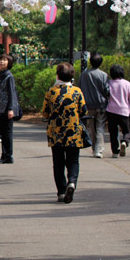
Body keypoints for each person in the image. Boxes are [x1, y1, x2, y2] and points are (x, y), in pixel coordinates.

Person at [42, 62, 88, 204]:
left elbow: (44, 112)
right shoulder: (77, 91)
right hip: (73, 132)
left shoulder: (51, 92)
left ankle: (61, 191)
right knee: (73, 160)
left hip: (56, 133)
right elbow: (84, 110)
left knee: (58, 162)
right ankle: (72, 183)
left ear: (57, 75)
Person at [78, 52, 109, 158]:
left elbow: (80, 89)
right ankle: (98, 149)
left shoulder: (84, 75)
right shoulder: (104, 75)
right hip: (101, 104)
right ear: (101, 63)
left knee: (92, 127)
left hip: (88, 105)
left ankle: (94, 148)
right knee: (100, 127)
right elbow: (106, 90)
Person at [0, 54, 19, 164]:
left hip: (7, 108)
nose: (1, 62)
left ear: (9, 63)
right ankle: (4, 155)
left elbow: (11, 93)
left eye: (4, 60)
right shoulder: (1, 75)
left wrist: (11, 109)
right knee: (2, 132)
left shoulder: (9, 76)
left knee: (7, 133)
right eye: (0, 60)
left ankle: (9, 155)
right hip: (1, 108)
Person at [106, 64, 130, 157]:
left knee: (113, 133)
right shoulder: (126, 83)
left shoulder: (109, 83)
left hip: (111, 111)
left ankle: (115, 152)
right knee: (127, 130)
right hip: (124, 111)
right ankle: (125, 141)